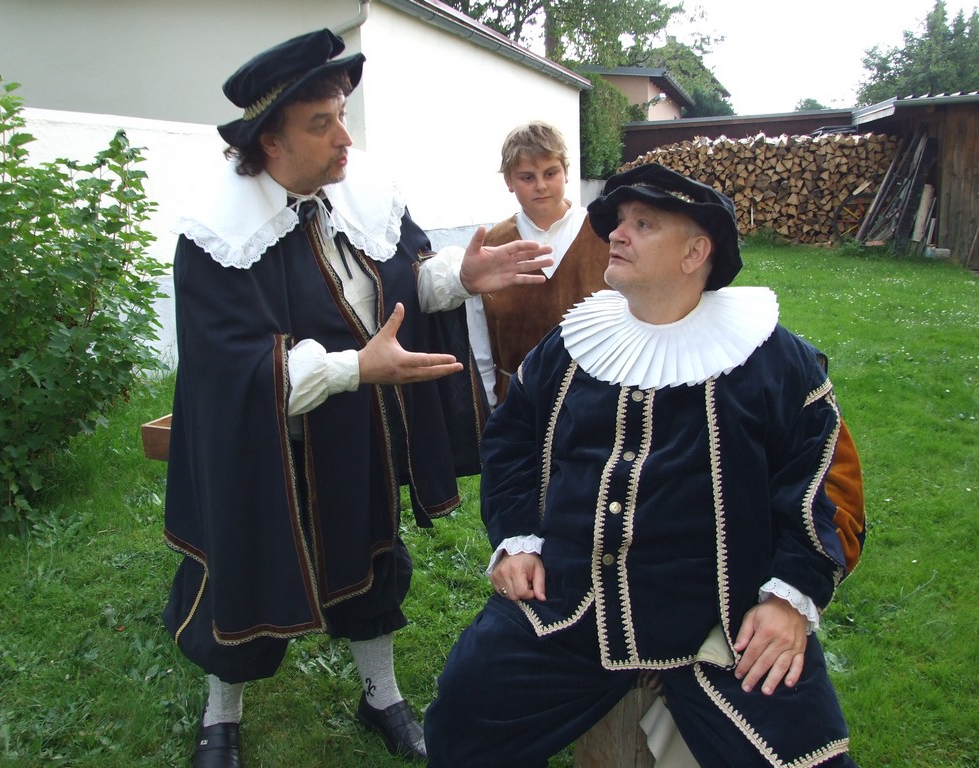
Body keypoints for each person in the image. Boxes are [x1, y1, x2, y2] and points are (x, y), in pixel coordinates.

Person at [161, 29, 552, 767]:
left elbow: (397, 283)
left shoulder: (361, 190)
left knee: (371, 558)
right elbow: (230, 368)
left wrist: (459, 278)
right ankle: (221, 717)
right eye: (322, 123)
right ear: (269, 141)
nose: (345, 137)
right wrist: (351, 368)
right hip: (261, 443)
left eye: (343, 114)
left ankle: (382, 697)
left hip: (356, 425)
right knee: (242, 568)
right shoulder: (217, 232)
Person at [424, 163, 867, 767]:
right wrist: (518, 538)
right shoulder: (573, 343)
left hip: (725, 623)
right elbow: (511, 441)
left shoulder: (773, 361)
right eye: (619, 222)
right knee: (463, 713)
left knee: (806, 758)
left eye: (643, 224)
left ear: (695, 253)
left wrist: (790, 597)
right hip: (569, 605)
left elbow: (822, 486)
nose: (617, 234)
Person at [466, 120, 609, 407]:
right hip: (517, 404)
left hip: (595, 402)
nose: (541, 186)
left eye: (550, 173)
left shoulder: (605, 235)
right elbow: (479, 337)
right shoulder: (492, 246)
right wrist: (489, 403)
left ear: (566, 172)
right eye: (527, 177)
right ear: (509, 181)